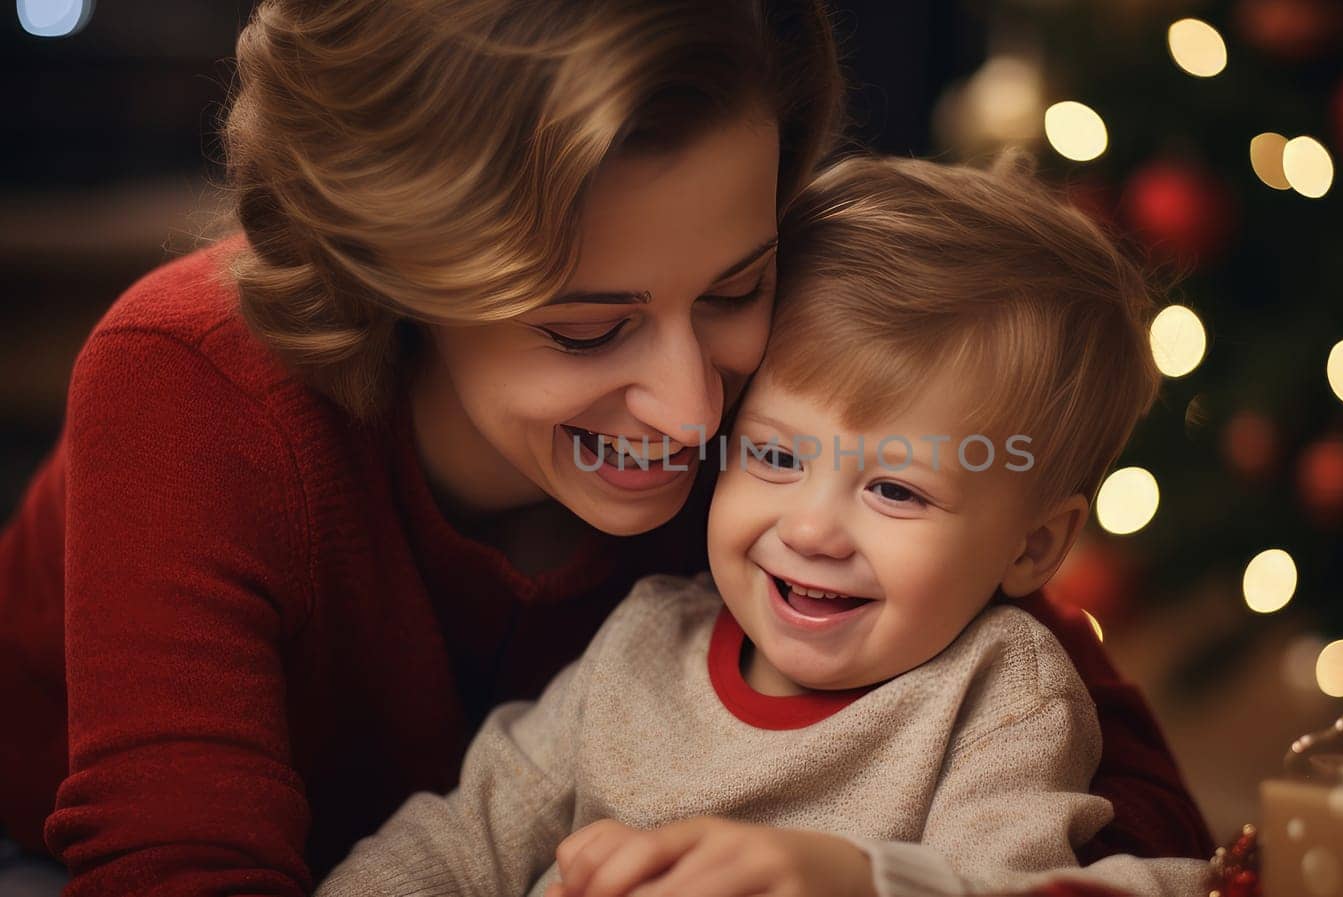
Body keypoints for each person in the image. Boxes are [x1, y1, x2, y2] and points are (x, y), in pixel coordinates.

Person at [0, 3, 1207, 896]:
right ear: (397, 278)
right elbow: (174, 868)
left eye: (737, 285)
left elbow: (1142, 817)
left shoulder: (794, 411)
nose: (692, 415)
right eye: (587, 326)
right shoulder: (193, 385)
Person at [314, 155, 1210, 897]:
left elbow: (1026, 889)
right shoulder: (643, 644)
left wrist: (861, 879)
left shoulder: (999, 696)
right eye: (775, 459)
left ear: (1034, 546)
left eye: (896, 491)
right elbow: (459, 841)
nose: (814, 529)